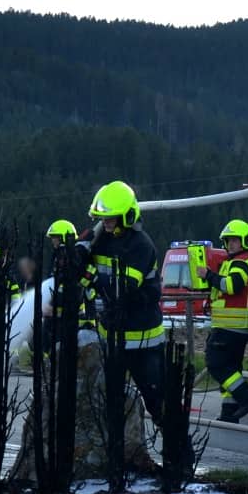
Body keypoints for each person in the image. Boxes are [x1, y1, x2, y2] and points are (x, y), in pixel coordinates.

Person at [87, 180, 166, 421]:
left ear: (126, 216)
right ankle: (117, 445)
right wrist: (78, 249)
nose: (105, 222)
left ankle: (177, 443)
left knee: (158, 403)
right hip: (112, 334)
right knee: (109, 403)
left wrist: (90, 276)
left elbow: (123, 288)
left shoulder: (141, 245)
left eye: (111, 218)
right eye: (103, 218)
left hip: (143, 338)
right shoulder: (102, 238)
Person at [202, 219, 248, 423]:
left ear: (245, 241)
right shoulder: (245, 261)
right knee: (232, 368)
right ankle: (229, 411)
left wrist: (209, 275)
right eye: (228, 240)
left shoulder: (240, 262)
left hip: (230, 327)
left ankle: (247, 397)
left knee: (216, 364)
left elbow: (232, 286)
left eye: (235, 240)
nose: (230, 244)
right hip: (238, 327)